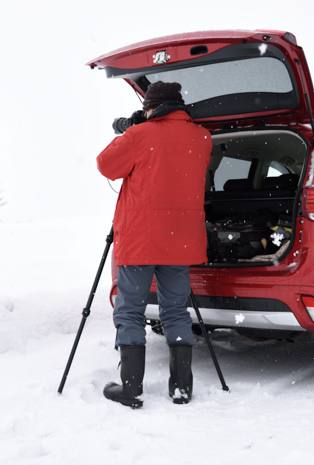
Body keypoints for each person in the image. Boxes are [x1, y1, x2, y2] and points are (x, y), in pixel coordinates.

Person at [96, 81, 212, 408]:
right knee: (175, 309)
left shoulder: (139, 135)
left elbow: (106, 165)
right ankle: (181, 387)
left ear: (151, 108)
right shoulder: (201, 138)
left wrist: (132, 130)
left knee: (130, 310)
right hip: (180, 239)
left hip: (141, 239)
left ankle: (131, 387)